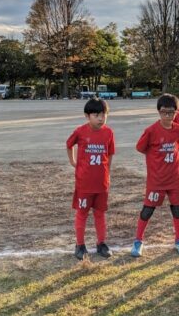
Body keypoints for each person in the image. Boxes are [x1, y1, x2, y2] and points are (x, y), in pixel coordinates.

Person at [131, 94, 179, 257]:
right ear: (159, 112)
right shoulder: (151, 131)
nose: (168, 116)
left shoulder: (178, 130)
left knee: (177, 209)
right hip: (156, 180)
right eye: (164, 112)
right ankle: (138, 240)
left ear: (176, 113)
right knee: (148, 210)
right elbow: (140, 147)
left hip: (174, 179)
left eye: (171, 112)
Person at [66, 97, 115, 260]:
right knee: (82, 213)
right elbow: (69, 144)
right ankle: (80, 245)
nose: (101, 118)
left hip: (101, 183)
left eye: (104, 114)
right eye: (96, 115)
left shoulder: (108, 132)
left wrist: (107, 172)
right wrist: (73, 161)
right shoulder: (80, 131)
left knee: (100, 214)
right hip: (84, 183)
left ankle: (101, 243)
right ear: (87, 116)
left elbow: (110, 154)